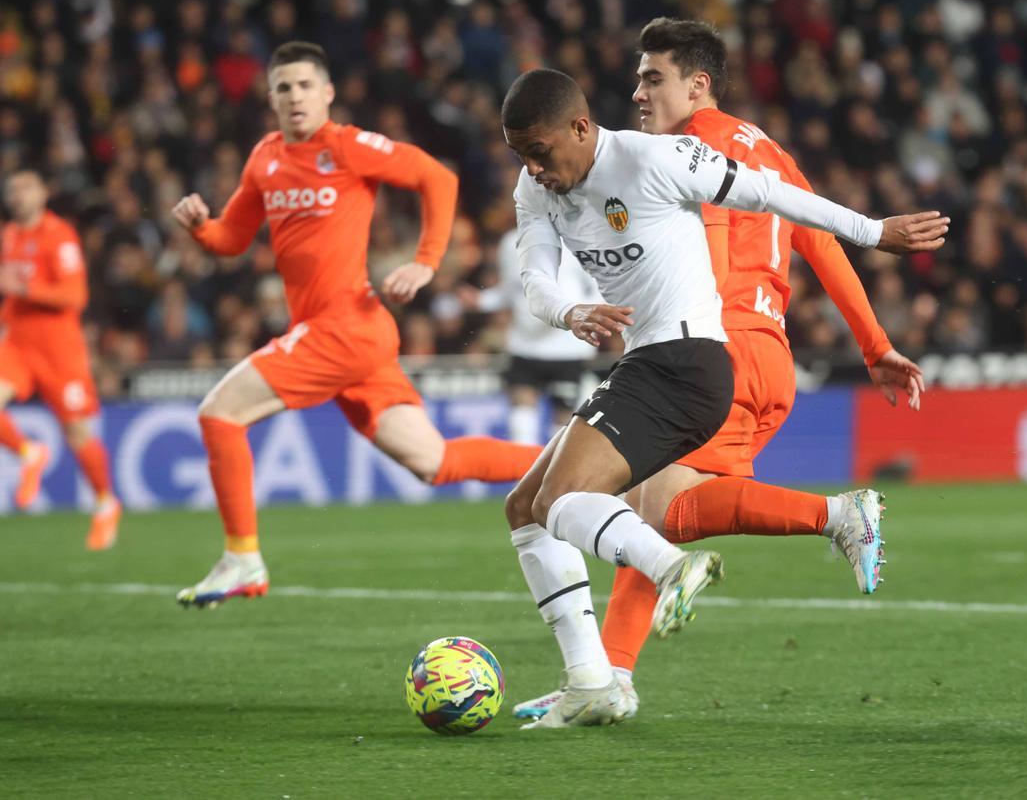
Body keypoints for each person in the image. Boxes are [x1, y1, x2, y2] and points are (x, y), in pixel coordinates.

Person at [500, 68, 948, 728]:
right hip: (648, 363)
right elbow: (535, 272)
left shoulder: (661, 157)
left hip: (691, 361)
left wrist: (875, 231)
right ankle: (594, 677)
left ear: (579, 127)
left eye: (540, 151)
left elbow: (777, 196)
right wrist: (570, 312)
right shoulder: (535, 187)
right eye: (522, 156)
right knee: (528, 507)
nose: (534, 167)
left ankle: (674, 570)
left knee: (580, 502)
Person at [170, 42, 542, 608]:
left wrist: (425, 259)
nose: (294, 96)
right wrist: (202, 228)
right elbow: (233, 238)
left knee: (219, 414)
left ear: (327, 93)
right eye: (283, 88)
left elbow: (436, 178)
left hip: (344, 326)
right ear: (271, 98)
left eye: (304, 85)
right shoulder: (264, 159)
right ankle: (571, 463)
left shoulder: (346, 146)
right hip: (345, 339)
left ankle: (242, 557)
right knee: (433, 461)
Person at [0, 169, 122, 549]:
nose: (17, 195)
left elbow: (74, 297)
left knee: (77, 434)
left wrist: (23, 287)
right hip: (17, 345)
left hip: (58, 349)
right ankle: (28, 450)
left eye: (25, 187)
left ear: (42, 193)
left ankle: (105, 504)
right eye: (12, 190)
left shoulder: (60, 236)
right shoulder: (9, 235)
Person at [475, 227, 601, 445]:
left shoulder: (581, 236)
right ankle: (522, 473)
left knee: (562, 421)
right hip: (525, 344)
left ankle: (553, 475)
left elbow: (600, 287)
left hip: (567, 347)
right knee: (521, 418)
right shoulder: (511, 241)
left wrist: (589, 316)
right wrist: (483, 301)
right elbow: (511, 288)